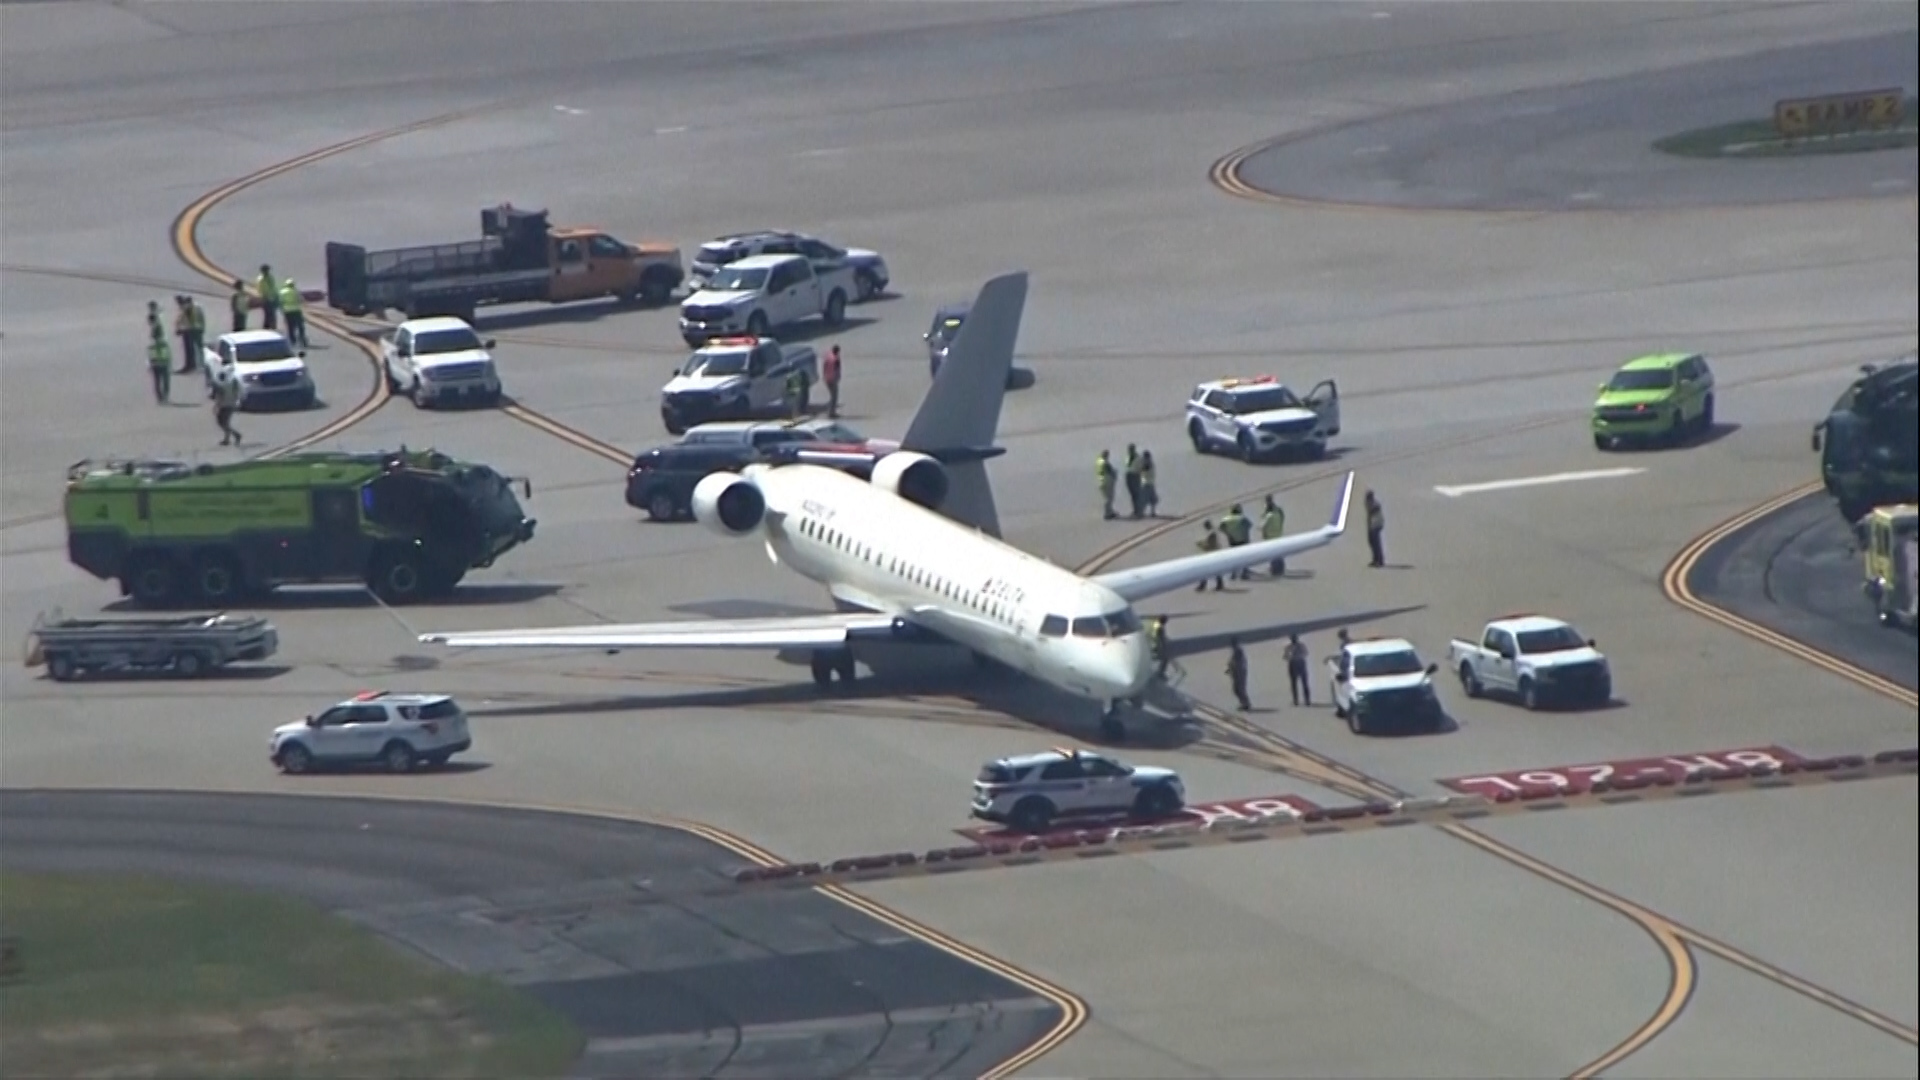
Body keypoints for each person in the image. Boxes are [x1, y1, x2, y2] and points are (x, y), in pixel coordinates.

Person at [1219, 502, 1253, 580]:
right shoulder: (1242, 518)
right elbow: (1249, 526)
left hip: (1232, 540)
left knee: (1233, 558)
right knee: (1244, 557)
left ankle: (1233, 574)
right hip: (1242, 540)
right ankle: (1244, 573)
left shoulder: (1226, 519)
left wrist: (1228, 534)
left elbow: (1221, 528)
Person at [1261, 495, 1287, 577]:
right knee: (1279, 552)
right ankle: (1281, 568)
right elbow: (1283, 517)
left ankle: (1275, 569)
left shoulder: (1269, 513)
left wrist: (1263, 533)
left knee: (1272, 553)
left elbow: (1263, 526)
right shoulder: (1278, 509)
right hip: (1278, 533)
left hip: (1271, 535)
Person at [1194, 520, 1224, 591]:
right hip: (1214, 553)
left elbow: (1209, 545)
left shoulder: (1211, 534)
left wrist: (1201, 544)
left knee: (1205, 570)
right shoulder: (1212, 533)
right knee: (1214, 570)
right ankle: (1219, 584)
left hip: (1211, 554)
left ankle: (1203, 585)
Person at [212, 374, 242, 446]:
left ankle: (236, 435)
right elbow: (237, 393)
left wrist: (216, 407)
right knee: (225, 423)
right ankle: (227, 439)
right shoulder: (231, 383)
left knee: (222, 423)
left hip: (224, 406)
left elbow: (220, 397)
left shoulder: (220, 385)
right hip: (231, 405)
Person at [278, 277, 308, 348]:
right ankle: (302, 340)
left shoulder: (282, 292)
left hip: (287, 311)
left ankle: (292, 341)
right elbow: (301, 300)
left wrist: (282, 310)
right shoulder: (295, 291)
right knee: (300, 326)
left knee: (290, 327)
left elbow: (280, 302)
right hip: (296, 310)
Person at [145, 326, 171, 404]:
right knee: (165, 382)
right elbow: (168, 355)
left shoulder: (151, 345)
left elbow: (149, 356)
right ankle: (165, 397)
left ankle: (159, 398)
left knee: (157, 382)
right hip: (163, 364)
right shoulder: (164, 344)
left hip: (155, 364)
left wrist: (149, 365)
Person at [1284, 633, 1311, 706]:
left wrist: (1291, 656)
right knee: (1303, 682)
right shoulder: (1301, 645)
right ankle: (1306, 700)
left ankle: (1296, 700)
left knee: (1294, 683)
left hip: (1294, 664)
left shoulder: (1288, 647)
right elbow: (1306, 653)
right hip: (1300, 663)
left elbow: (1285, 657)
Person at [1226, 637, 1251, 711]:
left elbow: (1236, 663)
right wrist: (1230, 669)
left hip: (1239, 673)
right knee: (1237, 689)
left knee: (1239, 689)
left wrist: (1231, 668)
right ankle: (1243, 703)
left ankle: (1245, 704)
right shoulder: (1236, 650)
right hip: (1236, 672)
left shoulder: (1238, 650)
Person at [1365, 490, 1386, 568]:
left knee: (1376, 544)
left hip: (1376, 525)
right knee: (1372, 543)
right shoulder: (1369, 504)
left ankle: (1380, 560)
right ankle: (1375, 559)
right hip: (1372, 525)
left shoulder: (1375, 505)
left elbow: (1372, 513)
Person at [255, 264, 279, 331]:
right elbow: (261, 290)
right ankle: (267, 329)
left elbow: (273, 287)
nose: (268, 271)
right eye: (266, 270)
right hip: (266, 299)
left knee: (273, 314)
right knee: (268, 315)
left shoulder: (270, 277)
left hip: (272, 298)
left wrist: (275, 296)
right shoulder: (261, 279)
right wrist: (265, 297)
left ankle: (273, 328)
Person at [1123, 444, 1144, 519]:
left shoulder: (1138, 458)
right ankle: (1135, 510)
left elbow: (1141, 468)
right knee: (1132, 495)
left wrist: (1138, 474)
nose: (1129, 451)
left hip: (1135, 475)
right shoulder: (1128, 457)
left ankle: (1139, 511)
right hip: (1129, 476)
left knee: (1137, 494)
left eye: (1131, 449)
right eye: (1129, 450)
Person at [1095, 450, 1117, 520]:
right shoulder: (1105, 463)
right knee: (1109, 498)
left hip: (1101, 481)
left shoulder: (1099, 462)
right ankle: (1107, 513)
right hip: (1107, 481)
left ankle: (1110, 511)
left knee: (1107, 497)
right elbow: (1110, 471)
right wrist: (1114, 473)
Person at [822, 344, 842, 418]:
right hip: (833, 379)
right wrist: (838, 378)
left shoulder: (828, 356)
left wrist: (824, 375)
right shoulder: (836, 359)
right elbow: (837, 370)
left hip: (827, 378)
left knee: (832, 396)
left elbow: (824, 366)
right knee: (834, 397)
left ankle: (830, 411)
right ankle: (831, 412)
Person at [1139, 450, 1159, 517]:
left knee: (1148, 499)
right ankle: (1149, 512)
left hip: (1148, 483)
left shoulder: (1148, 464)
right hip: (1148, 483)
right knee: (1149, 499)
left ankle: (1147, 512)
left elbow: (1144, 469)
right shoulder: (1149, 463)